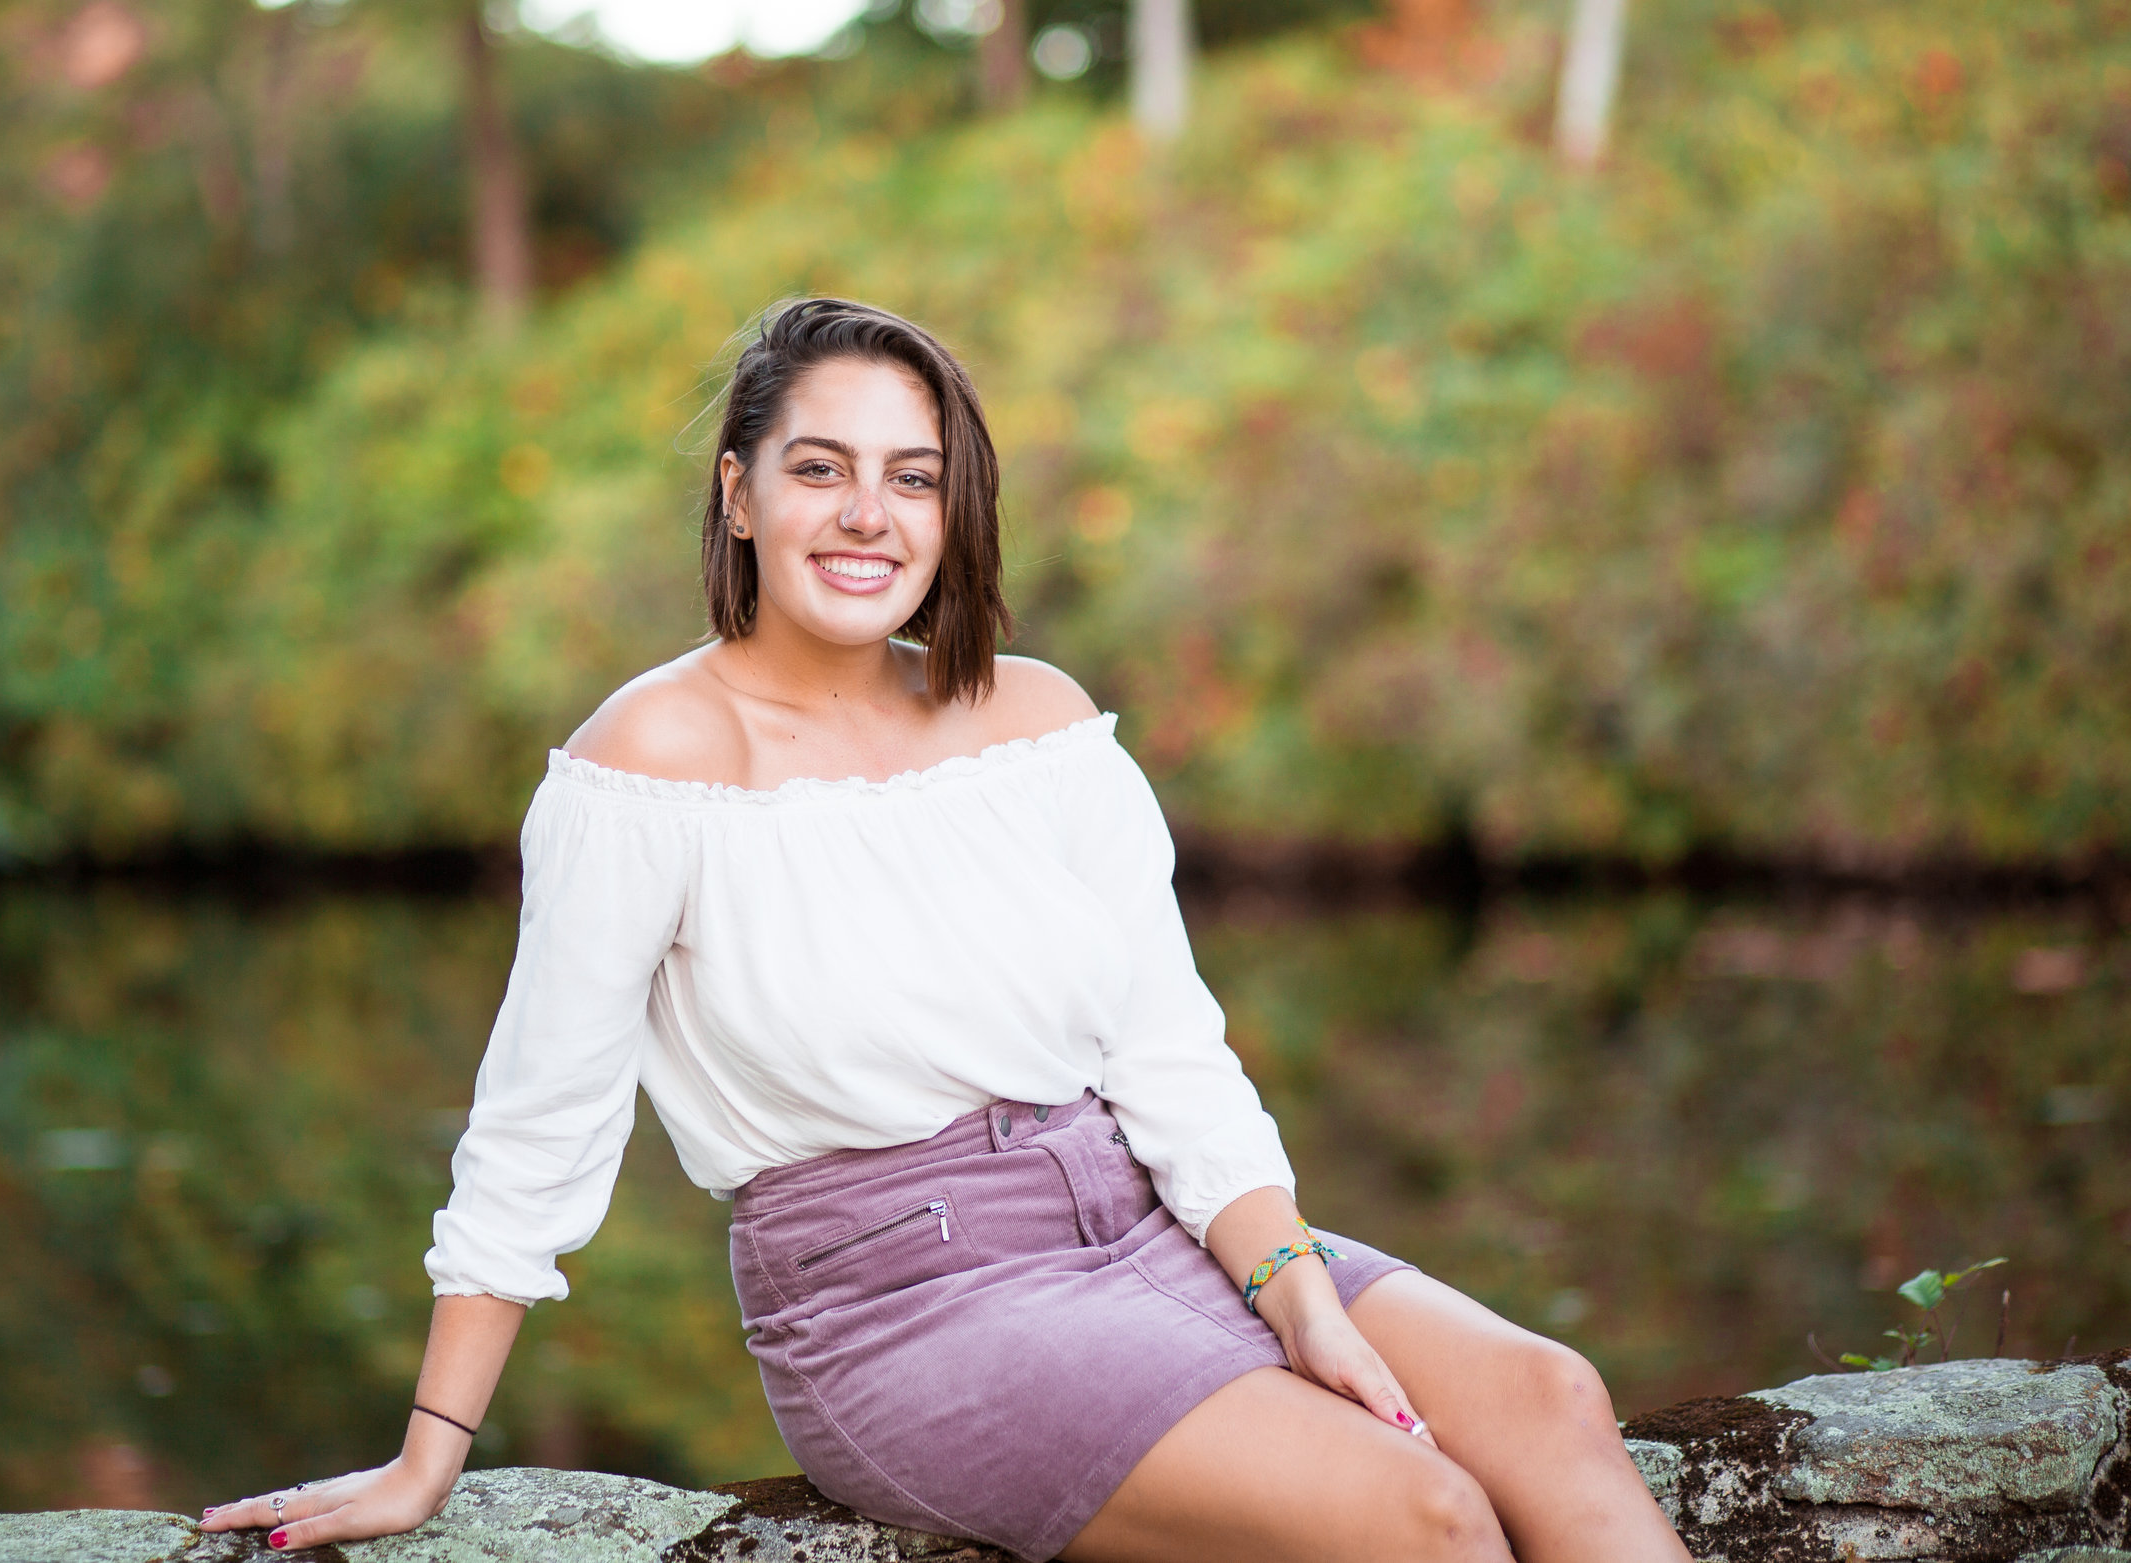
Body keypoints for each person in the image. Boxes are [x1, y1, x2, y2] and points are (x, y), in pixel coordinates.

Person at [201, 298, 1691, 1563]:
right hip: (899, 1301)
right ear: (738, 494)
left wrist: (1293, 1295)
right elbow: (543, 1115)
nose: (870, 513)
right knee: (1420, 1516)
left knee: (1553, 1401)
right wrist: (429, 1452)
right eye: (822, 469)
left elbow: (1171, 1055)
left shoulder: (1034, 721)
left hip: (1146, 1219)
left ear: (953, 507)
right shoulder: (653, 760)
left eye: (912, 478)